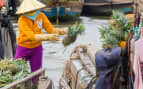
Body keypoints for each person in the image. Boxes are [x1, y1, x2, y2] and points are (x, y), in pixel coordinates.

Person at [14, 0, 67, 73]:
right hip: (23, 48)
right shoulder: (22, 20)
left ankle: (35, 84)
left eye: (34, 9)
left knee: (36, 72)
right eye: (29, 10)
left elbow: (50, 30)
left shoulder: (41, 16)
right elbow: (31, 36)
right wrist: (47, 37)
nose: (32, 11)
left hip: (37, 48)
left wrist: (63, 31)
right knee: (17, 70)